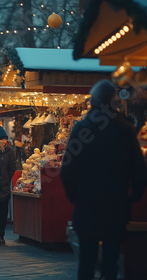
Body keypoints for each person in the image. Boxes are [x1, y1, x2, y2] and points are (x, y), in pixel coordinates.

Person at [60, 79, 146, 280]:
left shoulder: (82, 129)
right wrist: (133, 195)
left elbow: (67, 169)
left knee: (87, 263)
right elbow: (138, 168)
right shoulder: (125, 129)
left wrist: (75, 197)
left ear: (94, 101)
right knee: (111, 262)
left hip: (86, 206)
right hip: (116, 206)